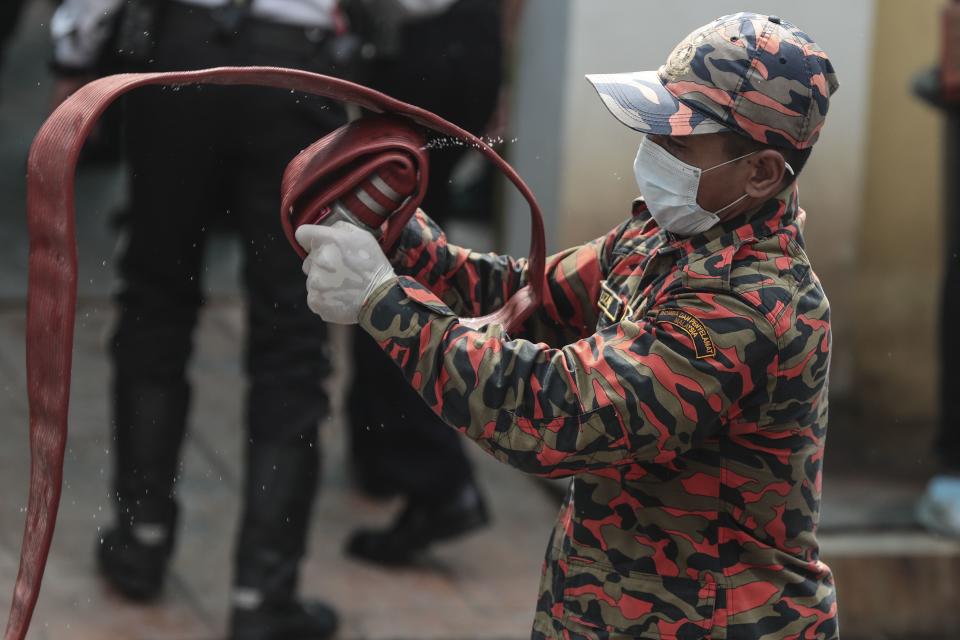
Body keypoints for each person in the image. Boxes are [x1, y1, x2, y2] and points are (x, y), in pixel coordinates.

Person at [296, 12, 840, 639]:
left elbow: (558, 412)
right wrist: (392, 228)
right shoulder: (667, 236)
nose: (652, 153)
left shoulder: (749, 307)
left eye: (679, 144)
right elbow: (521, 296)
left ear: (762, 173)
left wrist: (383, 302)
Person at [49, 0, 453, 638]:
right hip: (294, 68)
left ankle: (139, 539)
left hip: (179, 55)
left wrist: (74, 51)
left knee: (154, 300)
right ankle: (260, 593)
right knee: (291, 332)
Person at [344, 0, 523, 566]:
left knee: (379, 259)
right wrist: (496, 66)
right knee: (399, 240)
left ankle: (436, 478)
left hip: (416, 52)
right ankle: (380, 444)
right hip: (465, 43)